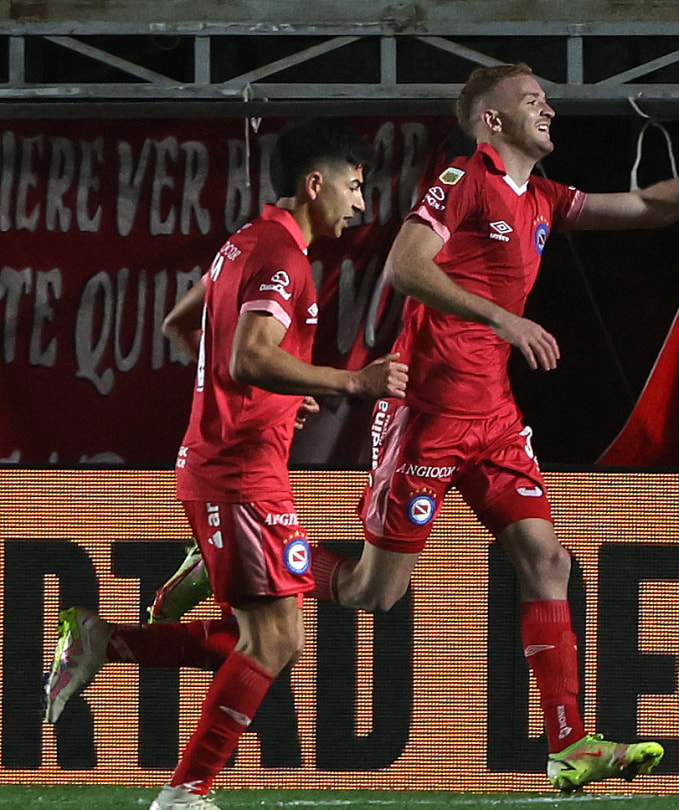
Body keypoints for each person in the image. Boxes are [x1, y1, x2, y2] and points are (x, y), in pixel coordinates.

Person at [149, 62, 679, 792]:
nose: (549, 109)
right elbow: (404, 265)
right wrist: (502, 318)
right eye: (533, 100)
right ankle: (233, 563)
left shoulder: (544, 197)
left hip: (493, 417)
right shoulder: (463, 179)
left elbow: (649, 204)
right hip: (426, 414)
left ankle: (569, 745)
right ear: (493, 120)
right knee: (373, 593)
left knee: (547, 560)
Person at [43, 118, 408, 810]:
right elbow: (247, 355)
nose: (360, 203)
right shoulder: (283, 256)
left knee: (262, 637)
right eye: (355, 186)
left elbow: (182, 326)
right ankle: (183, 794)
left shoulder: (243, 241)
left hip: (233, 465)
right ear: (315, 184)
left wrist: (275, 395)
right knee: (273, 641)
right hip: (237, 472)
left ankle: (103, 641)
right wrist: (349, 381)